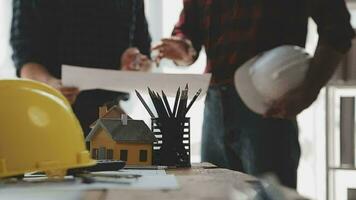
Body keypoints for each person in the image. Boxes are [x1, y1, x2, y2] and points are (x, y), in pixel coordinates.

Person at [153, 0, 355, 188]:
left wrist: (308, 92)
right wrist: (183, 48)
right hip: (215, 105)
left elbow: (337, 29)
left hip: (268, 107)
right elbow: (189, 32)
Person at [10, 0, 152, 135]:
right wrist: (50, 84)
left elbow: (145, 58)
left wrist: (134, 67)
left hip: (109, 112)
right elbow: (26, 58)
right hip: (49, 113)